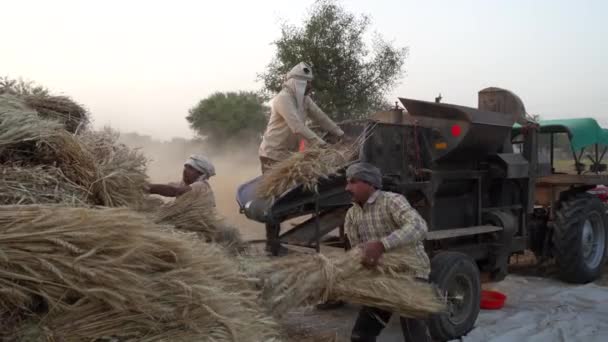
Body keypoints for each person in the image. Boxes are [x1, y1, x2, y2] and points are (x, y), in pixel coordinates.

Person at [344, 162, 432, 342]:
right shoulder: (351, 215)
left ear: (370, 184)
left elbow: (419, 226)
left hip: (410, 274)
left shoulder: (392, 201)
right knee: (360, 335)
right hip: (382, 278)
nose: (347, 187)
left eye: (353, 182)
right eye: (347, 182)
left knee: (415, 334)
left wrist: (382, 245)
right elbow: (357, 250)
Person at [258, 62, 345, 174]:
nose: (310, 86)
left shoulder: (305, 99)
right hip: (272, 155)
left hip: (289, 155)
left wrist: (340, 133)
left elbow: (321, 117)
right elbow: (297, 127)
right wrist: (323, 145)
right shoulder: (283, 99)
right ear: (296, 83)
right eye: (306, 83)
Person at [146, 154, 216, 206]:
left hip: (202, 225)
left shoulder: (202, 186)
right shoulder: (183, 185)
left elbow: (174, 191)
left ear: (200, 174)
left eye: (191, 168)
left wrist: (145, 187)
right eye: (186, 167)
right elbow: (169, 187)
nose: (185, 170)